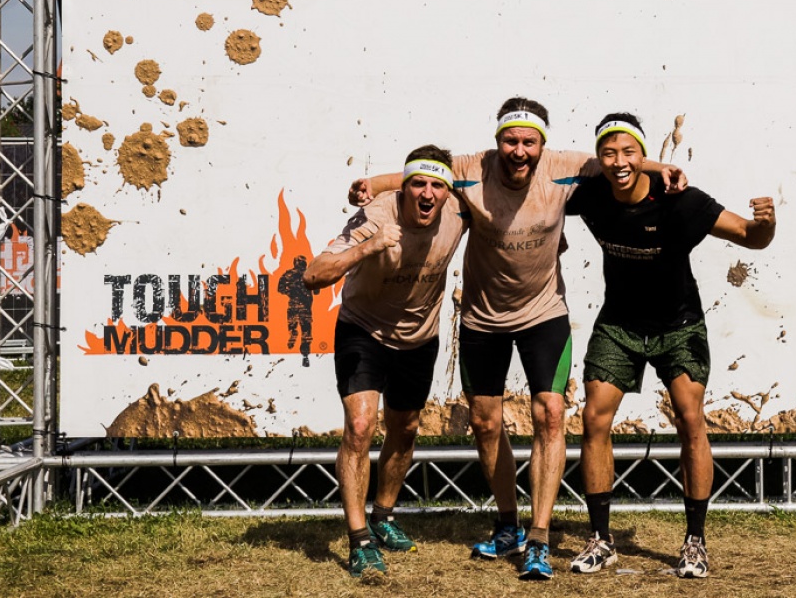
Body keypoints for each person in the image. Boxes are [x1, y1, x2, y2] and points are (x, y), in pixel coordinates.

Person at [350, 97, 685, 581]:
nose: (520, 150)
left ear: (542, 144)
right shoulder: (472, 169)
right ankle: (508, 524)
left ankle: (539, 537)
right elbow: (421, 175)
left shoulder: (563, 168)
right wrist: (372, 184)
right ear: (498, 140)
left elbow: (617, 162)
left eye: (529, 141)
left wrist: (662, 168)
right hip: (482, 319)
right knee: (485, 423)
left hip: (543, 314)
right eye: (511, 140)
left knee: (549, 415)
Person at [563, 113, 775, 579]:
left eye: (628, 152)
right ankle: (601, 539)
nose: (619, 162)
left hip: (678, 325)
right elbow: (536, 179)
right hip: (619, 324)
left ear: (643, 156)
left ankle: (695, 542)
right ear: (599, 159)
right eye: (608, 153)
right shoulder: (591, 194)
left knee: (690, 420)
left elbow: (750, 236)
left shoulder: (681, 202)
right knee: (593, 418)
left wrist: (767, 222)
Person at [305, 146, 468, 581]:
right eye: (418, 184)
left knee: (406, 427)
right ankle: (359, 539)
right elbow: (313, 275)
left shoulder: (459, 210)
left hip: (418, 338)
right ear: (405, 187)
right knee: (360, 427)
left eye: (437, 185)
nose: (428, 194)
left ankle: (383, 516)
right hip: (364, 330)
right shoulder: (376, 216)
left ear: (448, 191)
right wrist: (370, 246)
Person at [276, 255, 314, 366]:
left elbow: (280, 288)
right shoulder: (309, 274)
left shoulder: (288, 274)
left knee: (292, 325)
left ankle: (293, 336)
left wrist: (290, 292)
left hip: (293, 305)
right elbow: (317, 290)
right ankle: (305, 354)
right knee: (306, 330)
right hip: (305, 306)